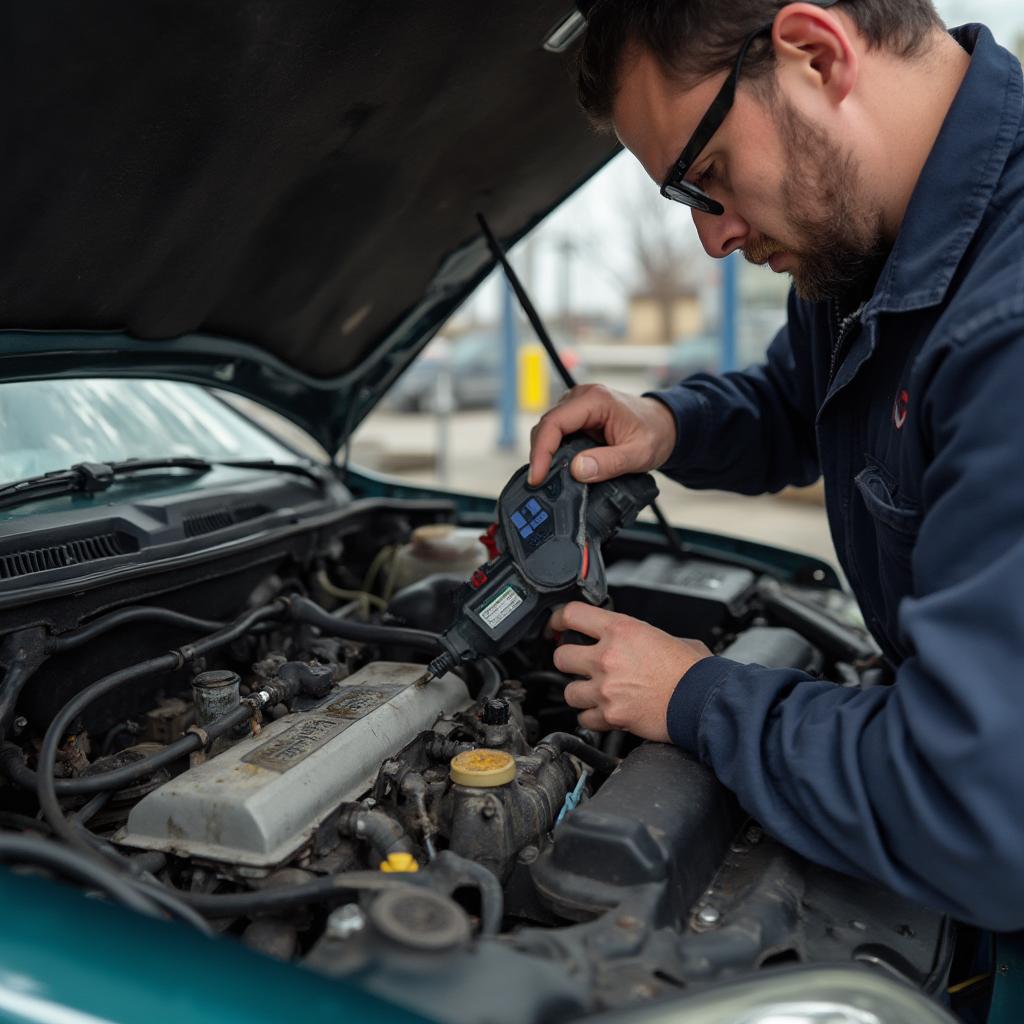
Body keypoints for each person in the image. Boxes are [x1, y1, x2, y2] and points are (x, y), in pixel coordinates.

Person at [529, 0, 1024, 930]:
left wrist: (693, 695)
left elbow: (984, 813)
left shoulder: (1009, 326)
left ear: (813, 53)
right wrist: (666, 423)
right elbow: (806, 402)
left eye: (706, 176)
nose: (713, 238)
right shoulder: (878, 243)